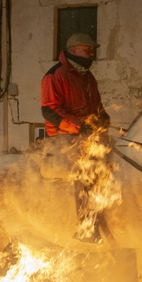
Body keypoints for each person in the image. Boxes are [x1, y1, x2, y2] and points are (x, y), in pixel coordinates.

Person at [40, 32, 111, 242]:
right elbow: (49, 112)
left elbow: (96, 106)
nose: (91, 54)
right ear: (73, 51)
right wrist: (81, 127)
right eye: (88, 49)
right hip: (63, 137)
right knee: (87, 170)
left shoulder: (87, 77)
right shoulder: (55, 75)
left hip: (87, 136)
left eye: (92, 50)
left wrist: (103, 118)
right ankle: (85, 228)